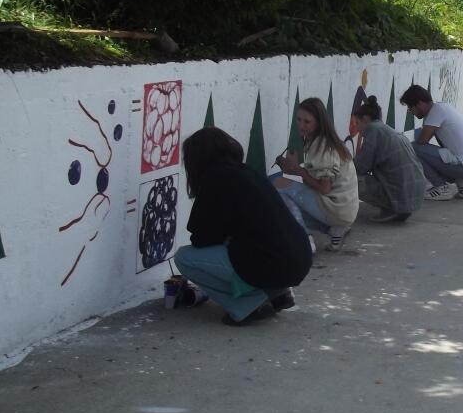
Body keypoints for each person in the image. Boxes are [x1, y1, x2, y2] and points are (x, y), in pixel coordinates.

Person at [174, 127, 312, 326]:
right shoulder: (245, 171)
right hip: (299, 258)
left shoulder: (216, 179)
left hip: (276, 264)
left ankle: (247, 306)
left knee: (184, 257)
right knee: (247, 248)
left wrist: (225, 236)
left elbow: (200, 239)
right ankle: (278, 293)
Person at [274, 97, 359, 251]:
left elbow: (324, 188)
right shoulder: (321, 140)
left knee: (278, 185)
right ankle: (334, 231)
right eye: (299, 120)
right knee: (287, 202)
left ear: (319, 123)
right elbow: (316, 179)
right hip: (344, 209)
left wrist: (297, 169)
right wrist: (292, 169)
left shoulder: (323, 146)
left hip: (337, 208)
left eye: (307, 122)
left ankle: (304, 239)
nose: (301, 125)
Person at [400, 84, 463, 202]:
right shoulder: (443, 107)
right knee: (421, 151)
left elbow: (422, 141)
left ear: (419, 104)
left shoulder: (436, 112)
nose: (411, 112)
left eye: (410, 108)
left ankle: (441, 188)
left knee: (412, 148)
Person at [353, 95, 425, 223]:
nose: (357, 129)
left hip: (402, 193)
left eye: (357, 123)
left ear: (365, 119)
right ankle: (398, 208)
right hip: (415, 194)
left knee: (348, 178)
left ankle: (393, 208)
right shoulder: (388, 130)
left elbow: (361, 167)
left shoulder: (373, 130)